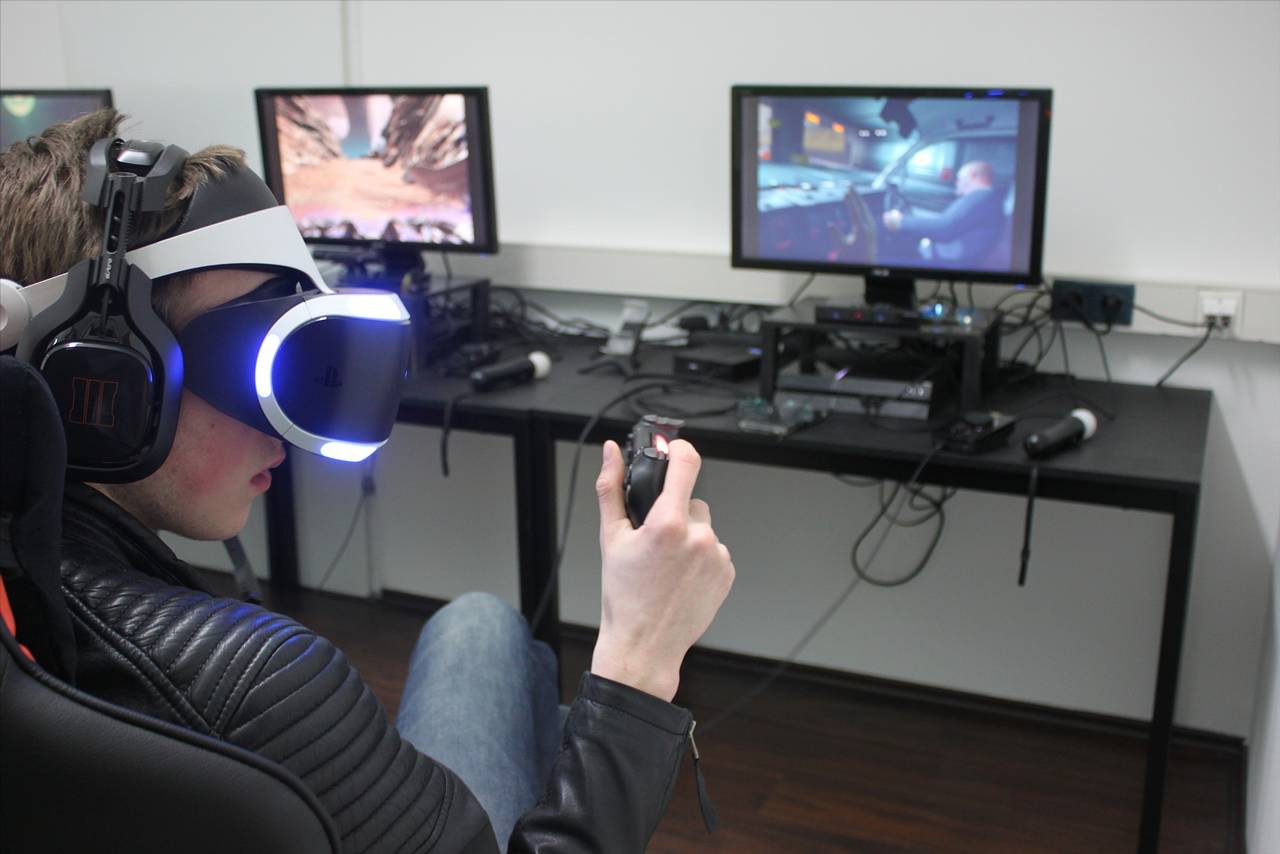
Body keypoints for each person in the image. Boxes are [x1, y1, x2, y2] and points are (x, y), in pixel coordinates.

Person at [0, 109, 736, 852]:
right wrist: (639, 659)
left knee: (483, 625)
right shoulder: (263, 684)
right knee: (493, 634)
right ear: (100, 377)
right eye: (246, 357)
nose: (284, 430)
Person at [881, 160, 1005, 267]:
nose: (957, 183)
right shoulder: (985, 198)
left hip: (949, 263)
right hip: (950, 256)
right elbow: (949, 223)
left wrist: (900, 222)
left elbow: (944, 228)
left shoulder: (980, 198)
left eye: (959, 178)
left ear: (973, 176)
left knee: (886, 261)